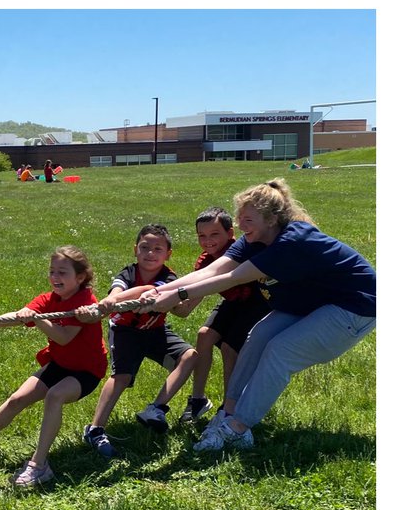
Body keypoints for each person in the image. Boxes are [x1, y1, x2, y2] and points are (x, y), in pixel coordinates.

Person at [142, 179, 375, 454]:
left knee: (280, 351)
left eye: (248, 219)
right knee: (258, 336)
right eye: (240, 218)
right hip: (314, 301)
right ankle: (229, 412)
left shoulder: (291, 241)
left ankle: (238, 429)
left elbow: (231, 278)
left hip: (355, 306)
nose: (241, 225)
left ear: (272, 218)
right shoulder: (255, 238)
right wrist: (159, 290)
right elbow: (213, 270)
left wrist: (178, 296)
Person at [0, 246, 107, 486]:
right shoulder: (50, 299)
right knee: (17, 399)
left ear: (80, 277)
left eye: (62, 272)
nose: (55, 277)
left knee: (54, 396)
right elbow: (19, 315)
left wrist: (37, 318)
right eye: (52, 271)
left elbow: (64, 336)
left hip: (86, 371)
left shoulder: (86, 303)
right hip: (59, 364)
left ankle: (39, 465)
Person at [76, 224, 197, 455]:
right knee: (121, 376)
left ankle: (156, 408)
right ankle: (94, 429)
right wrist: (111, 300)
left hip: (155, 332)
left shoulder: (168, 278)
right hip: (125, 332)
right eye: (144, 247)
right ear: (135, 250)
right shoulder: (128, 272)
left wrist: (118, 298)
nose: (150, 253)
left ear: (168, 254)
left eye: (157, 249)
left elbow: (152, 290)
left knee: (189, 356)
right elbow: (118, 288)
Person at [180, 206, 270, 423]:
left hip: (258, 303)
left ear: (231, 233)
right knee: (204, 335)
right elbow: (186, 307)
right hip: (233, 302)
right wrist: (159, 302)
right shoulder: (205, 260)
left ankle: (229, 407)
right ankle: (198, 399)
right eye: (202, 236)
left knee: (230, 349)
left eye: (214, 234)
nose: (207, 241)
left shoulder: (243, 250)